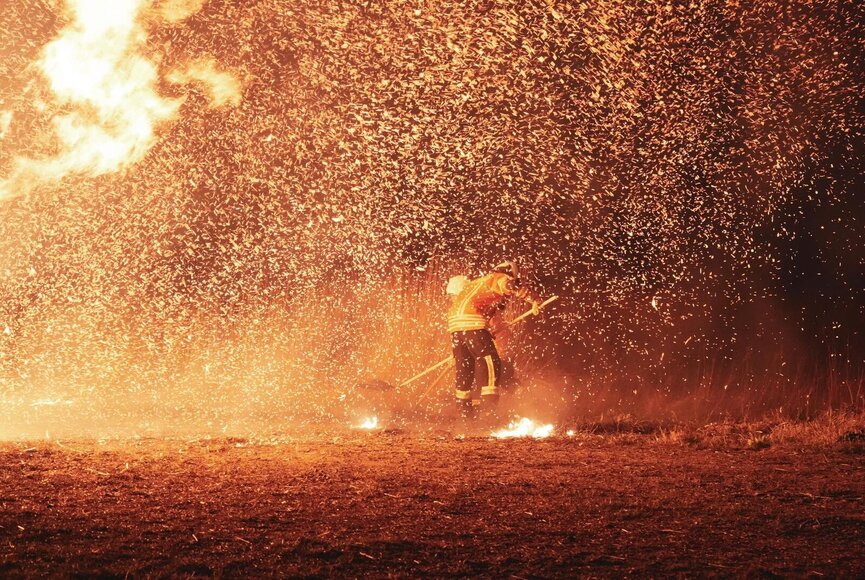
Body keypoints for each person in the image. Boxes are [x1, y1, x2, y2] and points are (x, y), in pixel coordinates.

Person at [446, 261, 542, 423]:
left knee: (465, 369)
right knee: (491, 363)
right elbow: (508, 284)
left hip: (455, 328)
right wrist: (534, 299)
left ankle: (466, 416)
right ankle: (488, 413)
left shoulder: (475, 285)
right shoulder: (498, 278)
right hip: (473, 324)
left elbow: (486, 312)